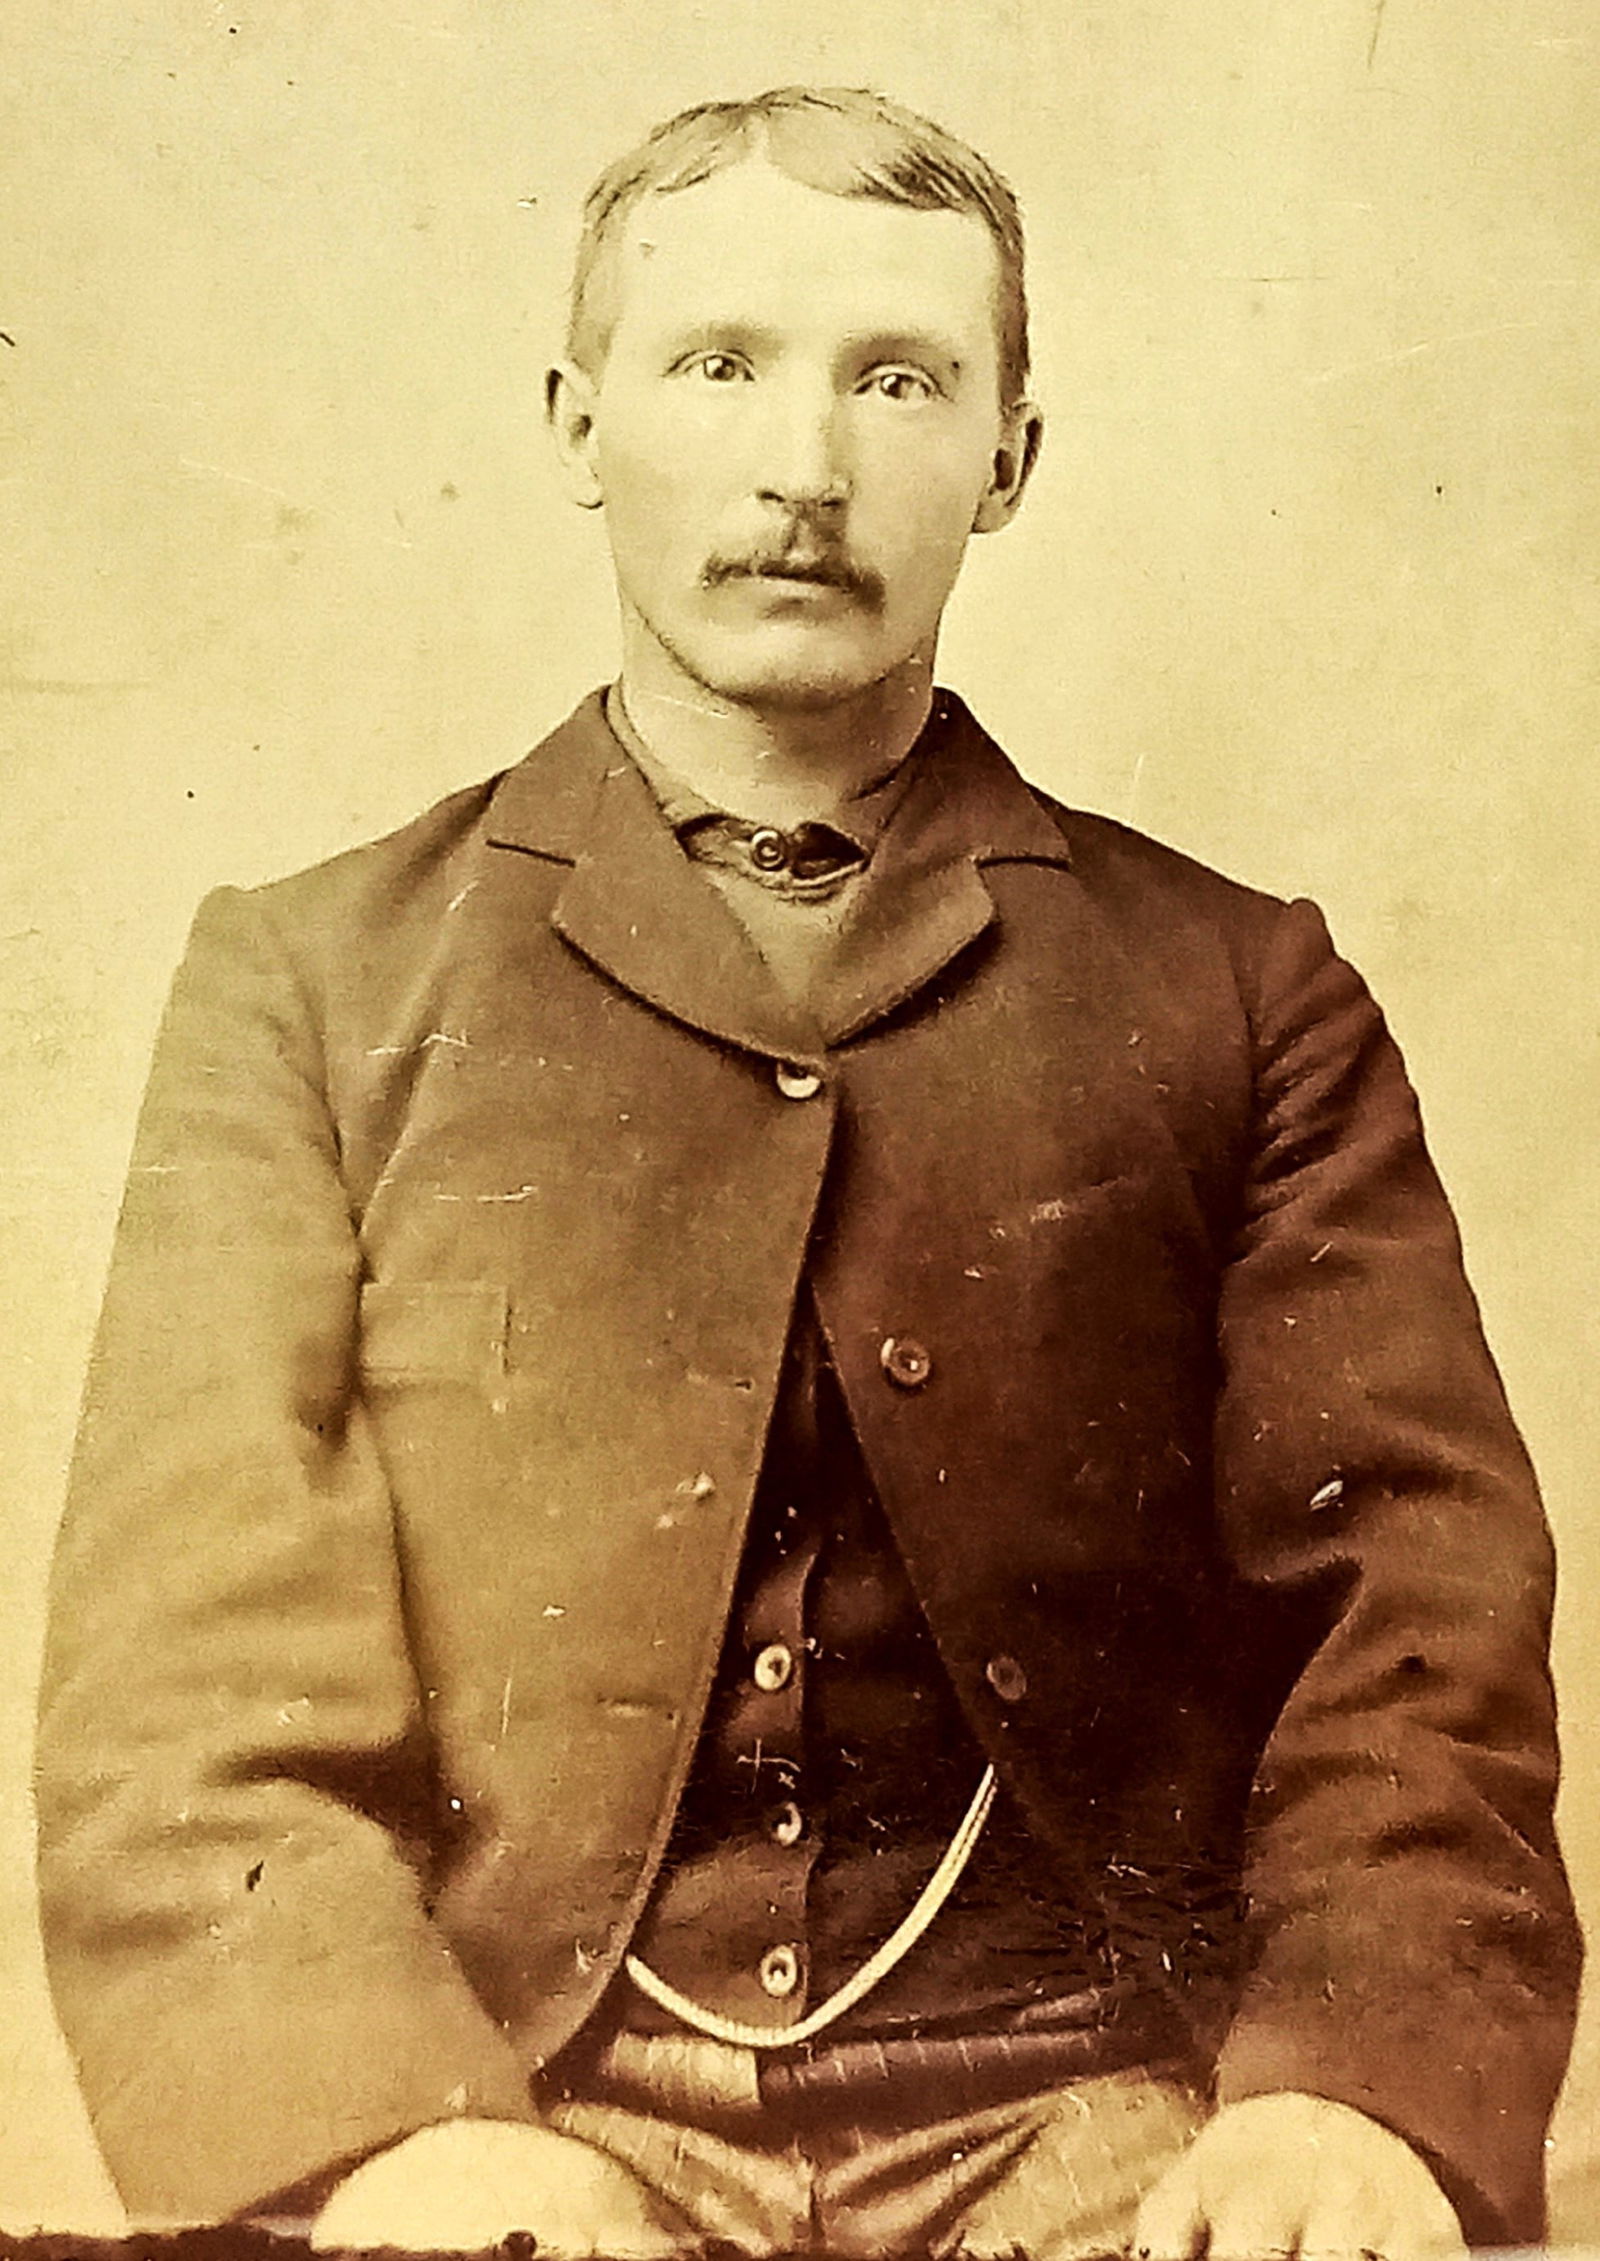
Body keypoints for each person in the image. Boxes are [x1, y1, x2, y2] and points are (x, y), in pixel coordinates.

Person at [36, 86, 1579, 2259]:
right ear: (577, 422)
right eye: (717, 364)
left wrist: (1342, 2101)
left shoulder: (1236, 993)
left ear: (1008, 457)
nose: (804, 466)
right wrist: (396, 2130)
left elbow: (1409, 1629)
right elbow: (188, 1698)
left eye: (895, 379)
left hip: (1093, 2112)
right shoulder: (307, 983)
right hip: (517, 2118)